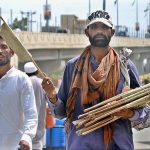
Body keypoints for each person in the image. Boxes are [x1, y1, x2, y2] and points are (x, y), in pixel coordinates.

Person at [42, 10, 149, 150]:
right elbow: (61, 113)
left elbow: (146, 115)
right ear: (87, 32)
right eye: (94, 27)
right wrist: (52, 95)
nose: (99, 31)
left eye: (104, 27)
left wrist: (129, 113)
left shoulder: (125, 68)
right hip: (79, 145)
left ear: (112, 32)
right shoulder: (73, 67)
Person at [0, 36, 38, 150]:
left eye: (3, 47)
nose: (0, 51)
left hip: (14, 145)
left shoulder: (21, 79)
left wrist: (27, 137)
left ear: (12, 52)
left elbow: (31, 114)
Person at [24, 62, 48, 150]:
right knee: (37, 142)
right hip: (40, 120)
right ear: (37, 71)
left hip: (26, 121)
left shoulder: (24, 82)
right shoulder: (42, 82)